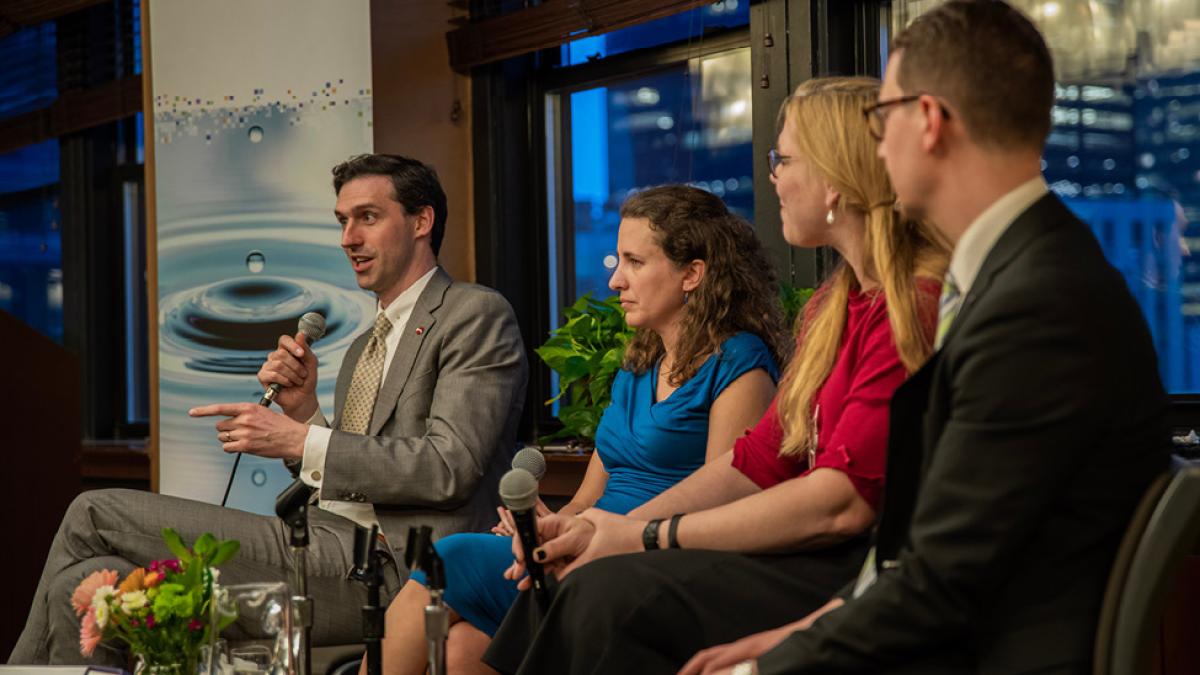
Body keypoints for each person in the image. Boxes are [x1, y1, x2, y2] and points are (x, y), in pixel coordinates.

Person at [680, 2, 1170, 674]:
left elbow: (939, 586)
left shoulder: (1034, 304)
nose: (876, 147)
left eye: (883, 119)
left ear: (931, 122)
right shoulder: (1020, 270)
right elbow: (920, 556)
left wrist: (761, 670)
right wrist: (789, 636)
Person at [482, 76, 949, 675]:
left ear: (837, 176)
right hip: (820, 550)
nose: (773, 175)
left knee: (607, 593)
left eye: (783, 158)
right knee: (573, 577)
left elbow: (843, 505)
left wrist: (646, 538)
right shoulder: (829, 308)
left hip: (860, 563)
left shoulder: (910, 305)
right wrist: (613, 528)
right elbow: (760, 459)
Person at [9, 153, 529, 665]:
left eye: (367, 217)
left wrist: (299, 439)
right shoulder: (361, 346)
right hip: (326, 540)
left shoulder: (474, 313)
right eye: (342, 221)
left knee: (91, 510)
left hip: (397, 566)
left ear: (422, 221)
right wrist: (305, 414)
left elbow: (448, 468)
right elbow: (357, 472)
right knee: (84, 584)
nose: (349, 238)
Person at [373, 184, 787, 675]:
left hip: (654, 556)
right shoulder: (639, 364)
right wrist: (550, 527)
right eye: (618, 260)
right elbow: (585, 498)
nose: (616, 280)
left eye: (635, 261)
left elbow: (729, 497)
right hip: (586, 541)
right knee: (462, 647)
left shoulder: (738, 360)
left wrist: (596, 535)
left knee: (452, 555)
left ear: (692, 274)